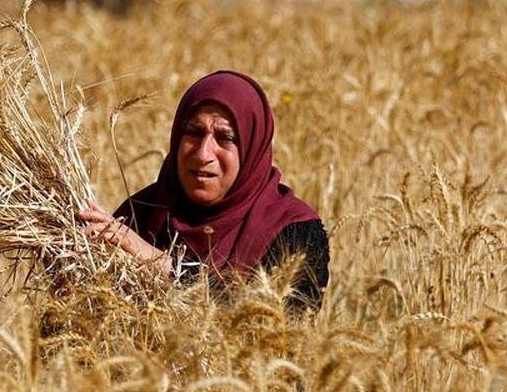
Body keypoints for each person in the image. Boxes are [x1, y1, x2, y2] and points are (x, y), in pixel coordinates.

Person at [79, 71, 329, 311]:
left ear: (252, 148)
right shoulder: (141, 213)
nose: (202, 153)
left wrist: (165, 267)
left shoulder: (294, 231)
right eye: (194, 132)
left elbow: (278, 330)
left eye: (225, 137)